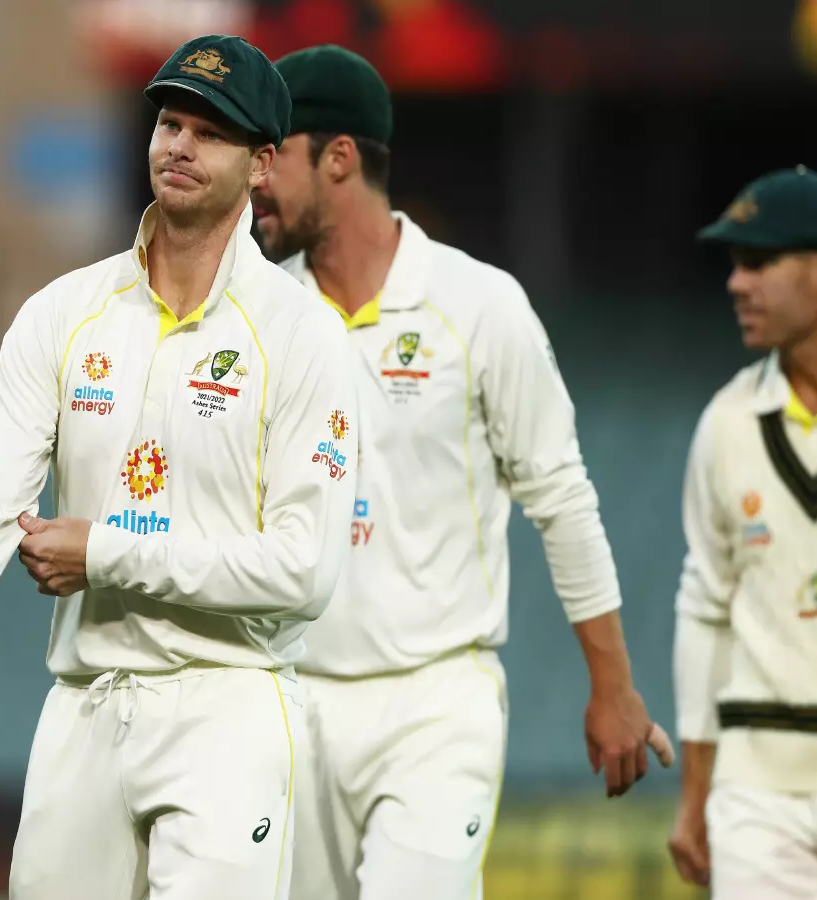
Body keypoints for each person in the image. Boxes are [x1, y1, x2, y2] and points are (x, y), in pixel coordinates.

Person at [0, 34, 358, 900]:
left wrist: (105, 553)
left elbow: (305, 570)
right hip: (83, 712)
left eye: (211, 131)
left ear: (262, 163)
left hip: (230, 706)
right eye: (170, 122)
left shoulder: (302, 334)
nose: (179, 145)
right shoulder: (63, 314)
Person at [251, 45, 674, 900]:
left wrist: (614, 685)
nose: (251, 178)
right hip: (288, 703)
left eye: (270, 154)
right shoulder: (257, 320)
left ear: (339, 158)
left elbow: (561, 496)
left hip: (436, 704)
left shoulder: (480, 305)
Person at [669, 166, 817, 898]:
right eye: (732, 266)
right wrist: (696, 795)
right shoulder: (726, 423)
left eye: (758, 262)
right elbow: (705, 609)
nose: (736, 284)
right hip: (755, 792)